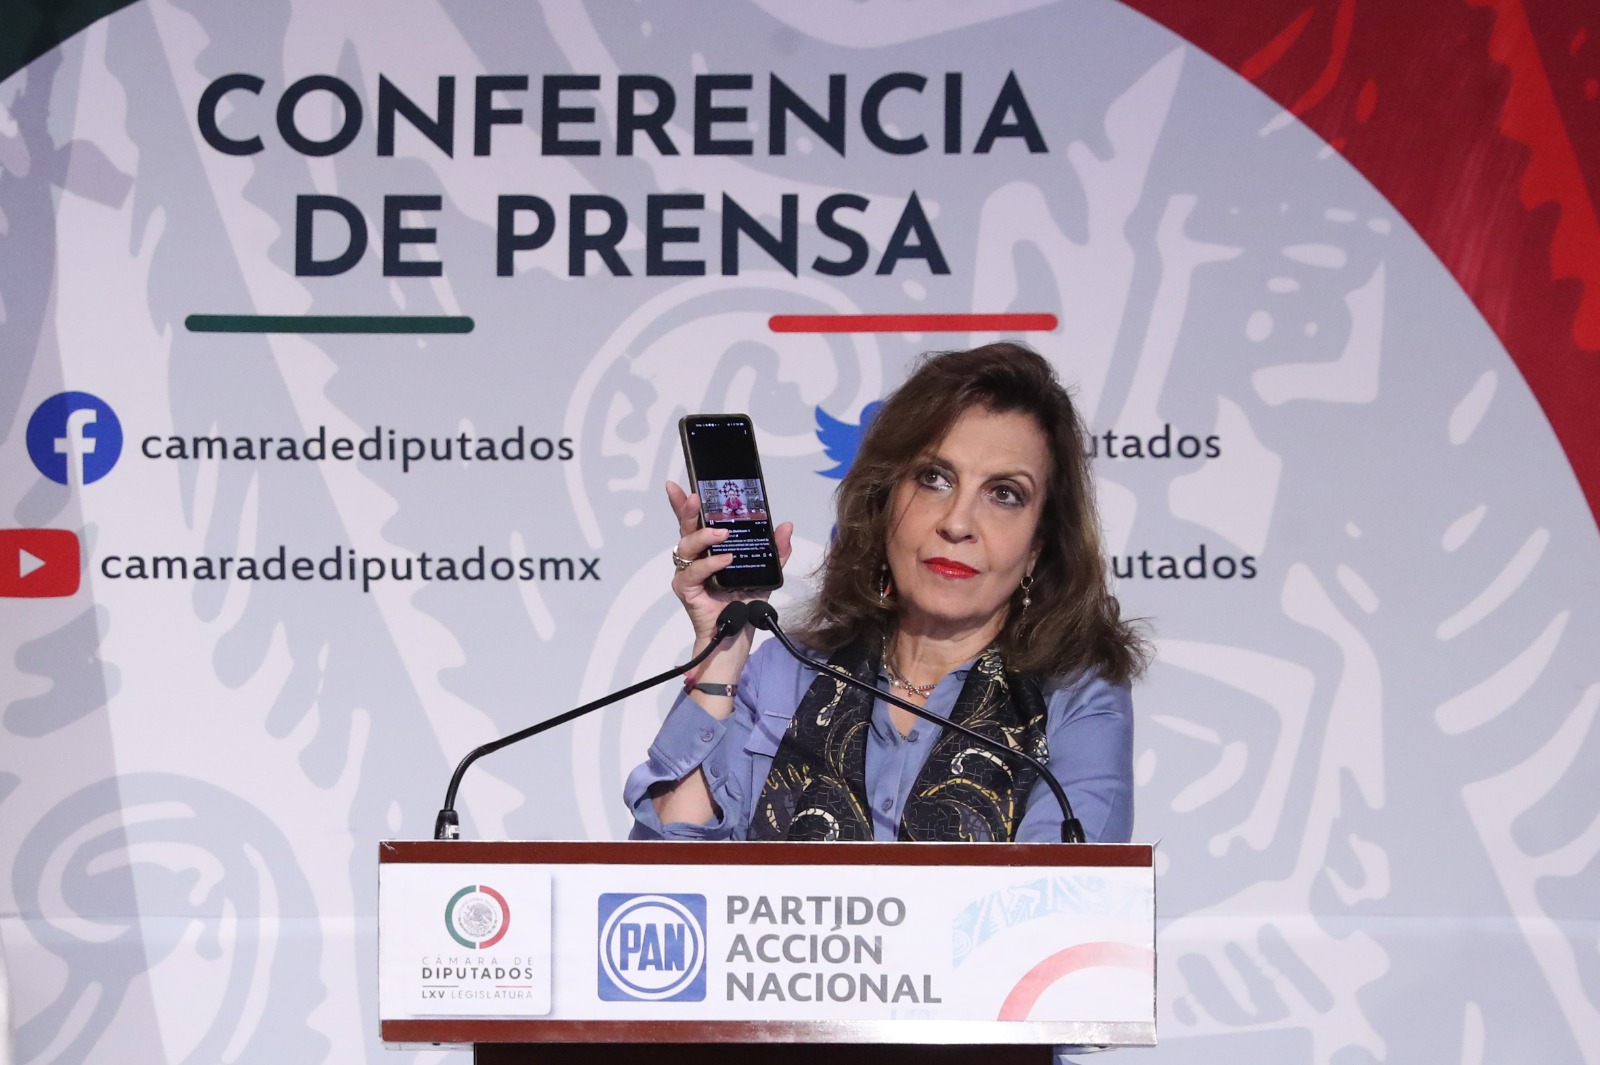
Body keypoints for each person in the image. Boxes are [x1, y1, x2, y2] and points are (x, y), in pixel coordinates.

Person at [625, 342, 1147, 843]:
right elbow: (667, 884)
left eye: (1004, 494)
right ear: (883, 500)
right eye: (935, 478)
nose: (958, 523)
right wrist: (722, 652)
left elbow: (1063, 894)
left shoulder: (1073, 697)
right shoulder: (784, 675)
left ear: (1038, 545)